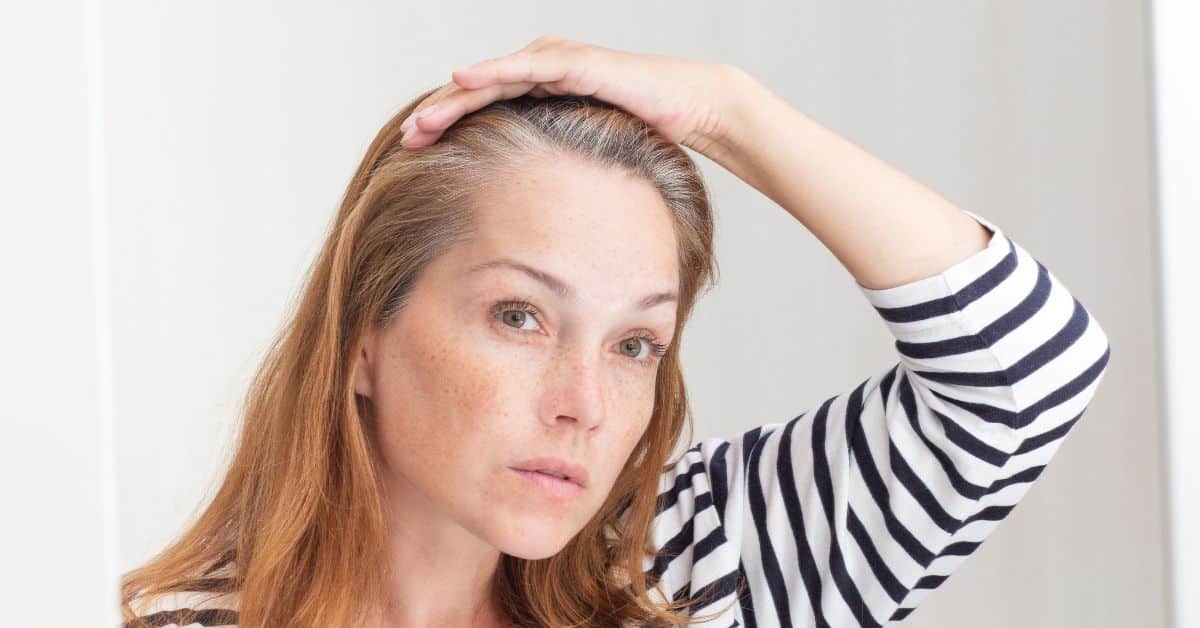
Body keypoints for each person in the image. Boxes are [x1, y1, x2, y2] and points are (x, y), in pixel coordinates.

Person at [119, 36, 1111, 627]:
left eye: (635, 343)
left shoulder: (696, 567)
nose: (584, 406)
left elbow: (1025, 373)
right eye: (520, 315)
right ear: (361, 339)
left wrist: (729, 112)